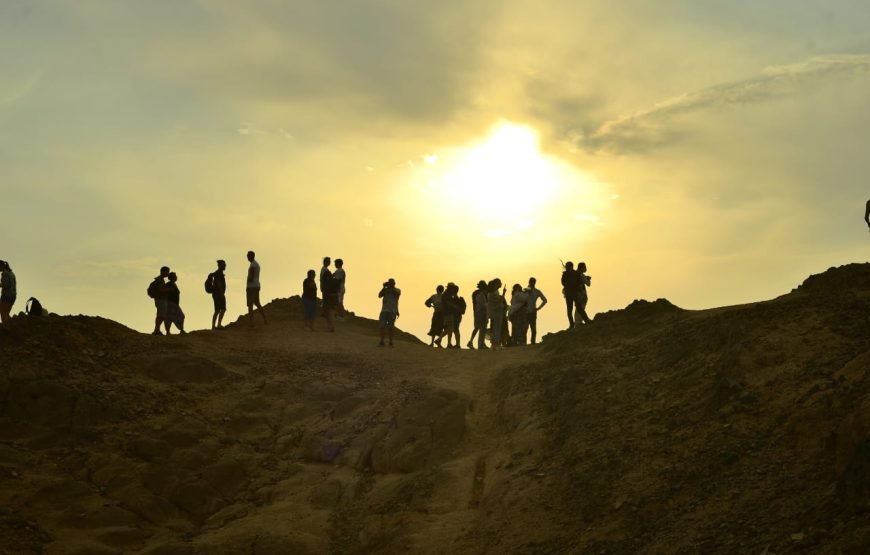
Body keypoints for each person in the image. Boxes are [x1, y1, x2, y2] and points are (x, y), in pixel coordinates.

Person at [524, 277, 548, 344]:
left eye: (532, 282)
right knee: (525, 328)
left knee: (532, 328)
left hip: (532, 311)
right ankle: (524, 342)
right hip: (526, 311)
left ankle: (532, 342)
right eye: (531, 282)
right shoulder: (525, 290)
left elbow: (545, 300)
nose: (531, 283)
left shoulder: (537, 291)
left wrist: (538, 308)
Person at [378, 278, 401, 347]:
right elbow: (379, 295)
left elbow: (396, 295)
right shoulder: (385, 290)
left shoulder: (397, 290)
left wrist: (390, 288)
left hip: (392, 311)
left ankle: (390, 342)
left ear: (394, 284)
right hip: (384, 310)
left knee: (391, 327)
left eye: (391, 283)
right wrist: (384, 288)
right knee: (382, 326)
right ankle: (382, 341)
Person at [246, 251, 267, 326]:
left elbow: (251, 277)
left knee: (250, 304)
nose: (247, 257)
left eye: (248, 255)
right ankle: (265, 319)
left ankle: (251, 322)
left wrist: (248, 280)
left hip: (251, 287)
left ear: (252, 256)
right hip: (257, 285)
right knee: (257, 303)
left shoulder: (252, 265)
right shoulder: (257, 264)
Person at [149, 266, 170, 335]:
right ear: (163, 271)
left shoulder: (160, 279)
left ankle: (157, 330)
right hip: (161, 299)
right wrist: (168, 290)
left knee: (161, 315)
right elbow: (160, 289)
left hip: (160, 299)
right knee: (161, 315)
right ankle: (156, 330)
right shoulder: (159, 280)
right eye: (167, 271)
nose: (168, 273)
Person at [467, 280, 489, 349]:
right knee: (480, 327)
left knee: (477, 327)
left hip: (476, 311)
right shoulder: (480, 294)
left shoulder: (476, 293)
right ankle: (478, 342)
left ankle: (471, 341)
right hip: (479, 311)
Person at [486, 279, 507, 350]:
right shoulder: (492, 294)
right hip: (496, 312)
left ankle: (496, 344)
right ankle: (495, 344)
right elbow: (500, 301)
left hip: (497, 311)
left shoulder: (494, 292)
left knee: (497, 328)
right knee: (496, 328)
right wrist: (504, 293)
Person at [441, 283, 462, 348]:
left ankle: (447, 342)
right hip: (448, 313)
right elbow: (448, 303)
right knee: (450, 328)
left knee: (449, 329)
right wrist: (455, 307)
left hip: (447, 313)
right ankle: (448, 343)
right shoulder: (447, 295)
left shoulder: (446, 294)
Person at [319, 258, 337, 332]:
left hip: (326, 292)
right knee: (330, 309)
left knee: (328, 309)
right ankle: (330, 326)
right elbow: (328, 282)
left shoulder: (324, 270)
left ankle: (330, 326)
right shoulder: (326, 271)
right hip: (328, 292)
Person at [561, 261, 579, 329]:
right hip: (570, 293)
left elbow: (563, 283)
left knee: (577, 308)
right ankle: (572, 324)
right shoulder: (566, 274)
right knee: (570, 309)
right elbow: (563, 283)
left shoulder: (572, 273)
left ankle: (575, 323)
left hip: (572, 293)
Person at [209, 260, 227, 330]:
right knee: (218, 310)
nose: (225, 265)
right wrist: (221, 294)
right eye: (224, 264)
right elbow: (219, 284)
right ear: (220, 265)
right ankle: (215, 325)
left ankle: (217, 325)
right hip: (218, 294)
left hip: (218, 294)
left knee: (221, 309)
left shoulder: (218, 273)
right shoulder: (218, 274)